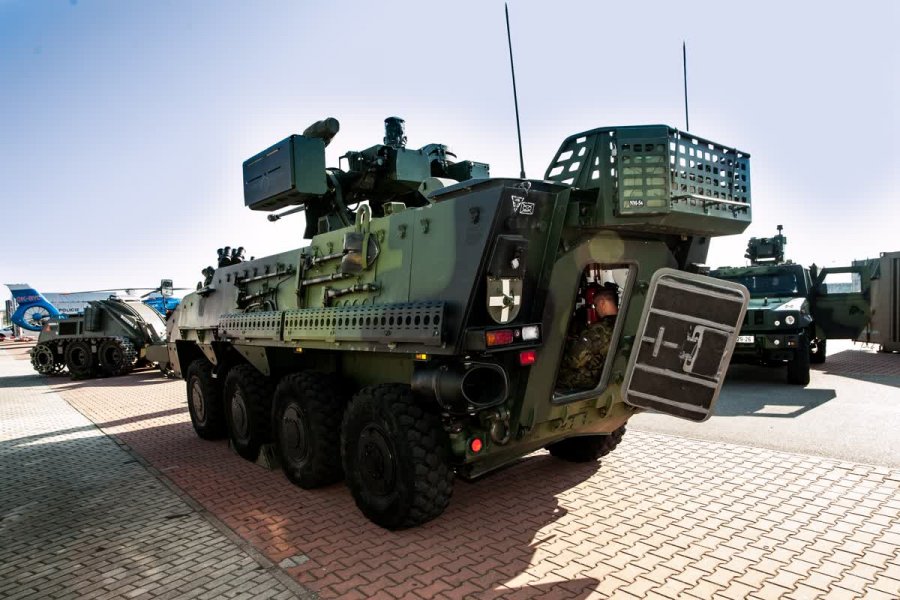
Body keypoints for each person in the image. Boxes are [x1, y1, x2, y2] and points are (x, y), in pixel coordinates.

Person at [556, 283, 619, 390]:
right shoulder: (625, 324)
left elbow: (573, 360)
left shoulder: (599, 331)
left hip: (594, 381)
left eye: (596, 305)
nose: (596, 309)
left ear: (602, 303)